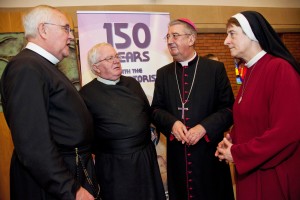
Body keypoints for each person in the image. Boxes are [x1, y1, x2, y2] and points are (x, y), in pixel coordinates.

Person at [0, 5, 100, 200]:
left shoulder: (41, 65)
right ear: (43, 30)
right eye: (65, 28)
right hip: (52, 182)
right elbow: (33, 143)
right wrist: (71, 189)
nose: (71, 36)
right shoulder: (26, 68)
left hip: (68, 168)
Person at [215, 11, 300, 200]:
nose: (226, 41)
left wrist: (238, 153)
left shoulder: (280, 69)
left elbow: (287, 132)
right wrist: (231, 139)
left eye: (232, 33)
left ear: (251, 34)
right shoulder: (250, 70)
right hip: (251, 171)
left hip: (273, 174)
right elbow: (252, 117)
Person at [151, 18, 235, 200]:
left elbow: (229, 109)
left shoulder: (214, 69)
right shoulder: (163, 73)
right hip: (177, 156)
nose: (170, 40)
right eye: (167, 36)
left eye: (175, 35)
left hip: (209, 154)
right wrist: (172, 124)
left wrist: (204, 127)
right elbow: (156, 110)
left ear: (191, 39)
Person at [79, 43, 166, 200]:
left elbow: (148, 113)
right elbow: (84, 132)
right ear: (96, 68)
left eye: (117, 56)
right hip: (114, 165)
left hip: (144, 157)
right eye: (109, 58)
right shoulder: (86, 94)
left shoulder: (132, 83)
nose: (116, 61)